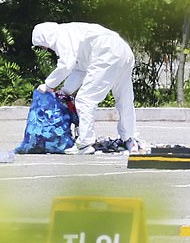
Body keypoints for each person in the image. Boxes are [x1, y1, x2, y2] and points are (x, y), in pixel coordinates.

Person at [31, 22, 140, 154]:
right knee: (124, 98)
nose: (45, 48)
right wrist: (65, 91)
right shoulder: (73, 33)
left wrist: (47, 85)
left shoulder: (62, 36)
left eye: (43, 45)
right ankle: (129, 138)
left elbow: (66, 65)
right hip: (123, 51)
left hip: (107, 53)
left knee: (84, 100)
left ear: (45, 37)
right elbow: (79, 70)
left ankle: (85, 143)